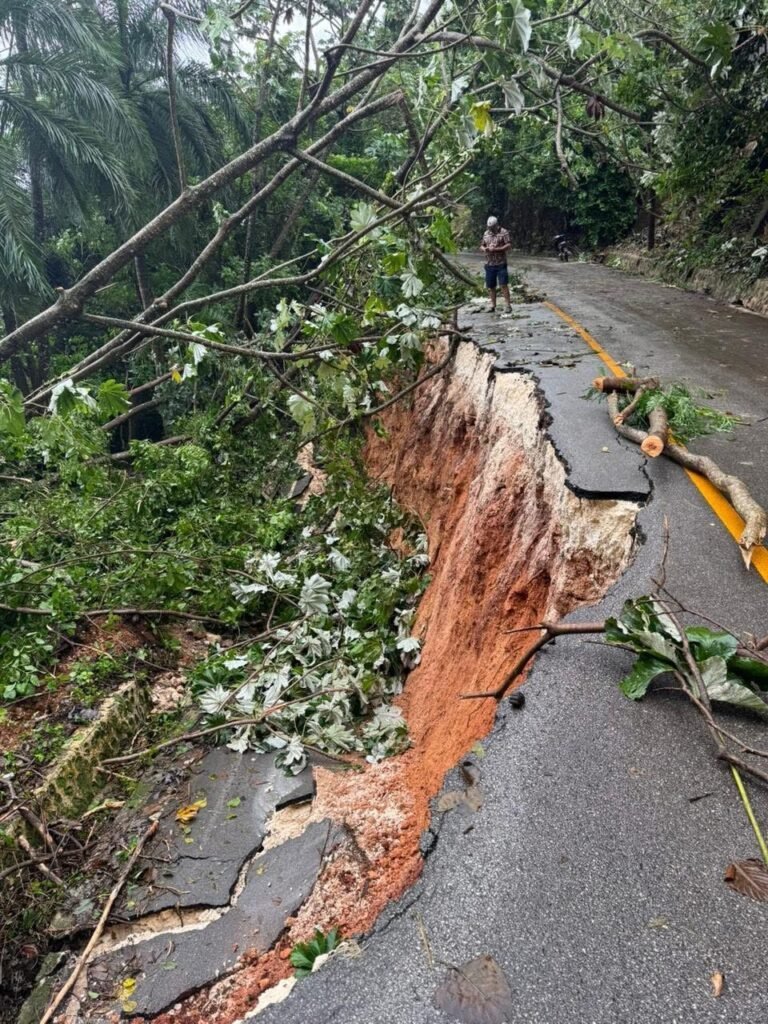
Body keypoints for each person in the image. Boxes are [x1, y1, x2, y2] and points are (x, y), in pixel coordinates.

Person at [480, 216, 512, 312]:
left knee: (503, 284)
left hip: (501, 263)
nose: (491, 229)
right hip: (489, 263)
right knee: (491, 286)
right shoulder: (486, 233)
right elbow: (482, 245)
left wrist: (497, 249)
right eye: (489, 227)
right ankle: (493, 305)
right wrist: (485, 249)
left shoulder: (504, 232)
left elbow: (509, 245)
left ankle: (508, 305)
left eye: (492, 227)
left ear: (496, 225)